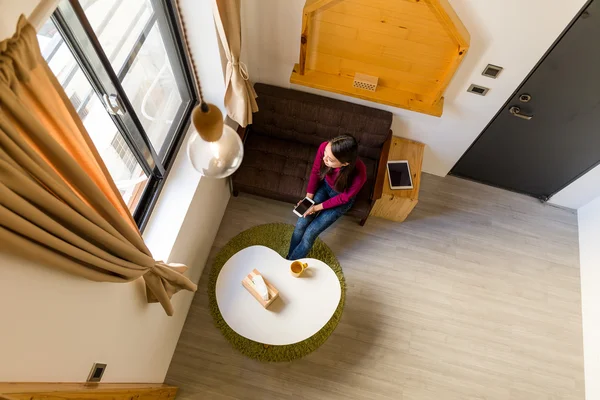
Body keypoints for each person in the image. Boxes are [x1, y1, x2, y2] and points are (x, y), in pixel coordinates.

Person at [286, 134, 366, 260]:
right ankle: (288, 259)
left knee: (310, 234)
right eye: (325, 154)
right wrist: (308, 200)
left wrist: (315, 208)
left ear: (345, 163)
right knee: (301, 223)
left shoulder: (360, 173)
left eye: (330, 160)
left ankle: (291, 262)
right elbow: (315, 172)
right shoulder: (325, 147)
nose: (324, 159)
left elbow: (343, 198)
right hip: (325, 187)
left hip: (341, 200)